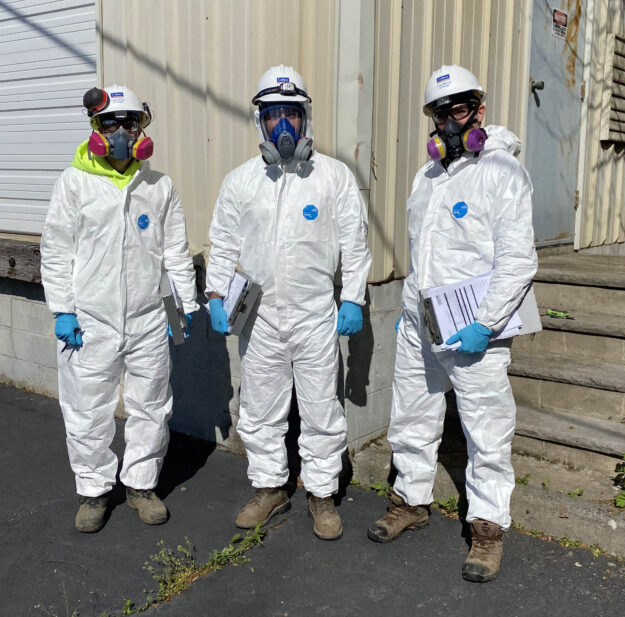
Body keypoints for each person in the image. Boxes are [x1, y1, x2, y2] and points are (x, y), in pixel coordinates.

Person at [367, 65, 537, 582]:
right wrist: (407, 310)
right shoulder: (427, 177)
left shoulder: (503, 171)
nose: (448, 122)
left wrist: (486, 323)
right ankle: (410, 500)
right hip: (425, 321)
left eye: (458, 110)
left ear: (479, 111)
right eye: (439, 113)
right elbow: (425, 255)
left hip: (475, 328)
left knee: (485, 428)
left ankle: (487, 531)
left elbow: (519, 260)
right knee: (413, 414)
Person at [206, 65, 371, 540]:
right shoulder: (240, 181)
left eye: (291, 115)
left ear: (305, 119)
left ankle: (321, 495)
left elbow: (356, 246)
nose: (283, 125)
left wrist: (354, 298)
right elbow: (223, 242)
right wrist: (216, 295)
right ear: (260, 120)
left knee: (321, 409)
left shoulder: (333, 177)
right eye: (273, 114)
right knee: (259, 409)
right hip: (258, 318)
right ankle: (271, 487)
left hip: (316, 315)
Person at [41, 85, 197, 533]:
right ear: (96, 129)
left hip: (149, 318)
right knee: (88, 408)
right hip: (90, 320)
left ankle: (141, 486)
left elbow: (175, 252)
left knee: (151, 405)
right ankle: (93, 491)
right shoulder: (74, 183)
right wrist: (62, 310)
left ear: (142, 128)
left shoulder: (158, 186)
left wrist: (181, 309)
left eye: (131, 123)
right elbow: (56, 251)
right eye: (112, 124)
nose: (123, 132)